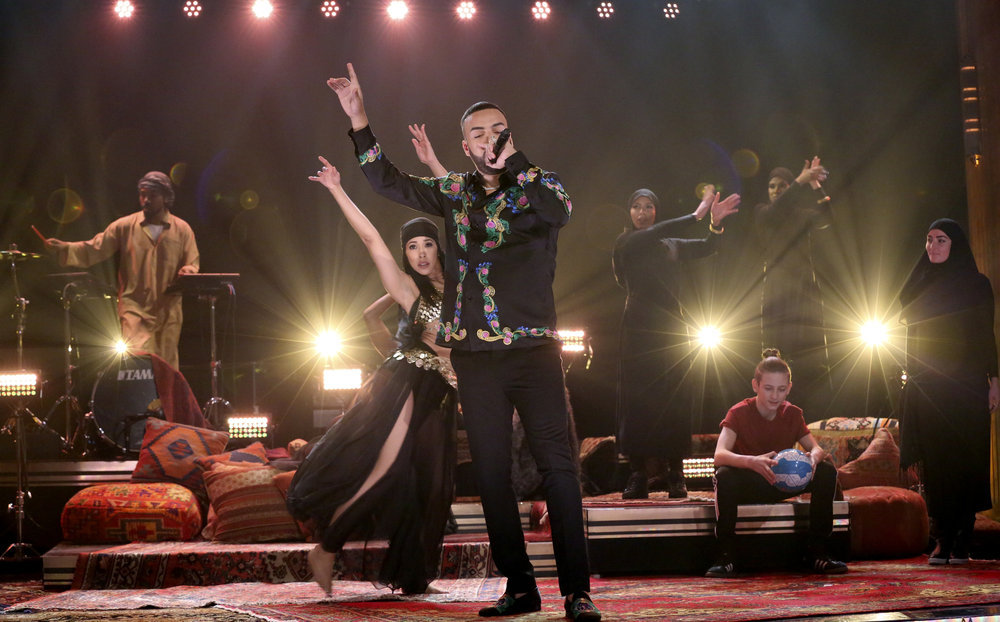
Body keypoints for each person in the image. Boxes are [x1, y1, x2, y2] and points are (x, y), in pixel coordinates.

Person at [327, 63, 601, 621]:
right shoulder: (454, 193)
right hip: (476, 358)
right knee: (492, 474)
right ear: (465, 146)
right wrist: (359, 120)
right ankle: (520, 587)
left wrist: (517, 163)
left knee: (559, 469)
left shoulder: (538, 185)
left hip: (534, 352)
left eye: (498, 129)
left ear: (510, 135)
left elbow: (560, 212)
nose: (489, 138)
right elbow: (388, 181)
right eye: (478, 133)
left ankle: (577, 591)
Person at [287, 159, 457, 595]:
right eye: (412, 247)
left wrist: (435, 165)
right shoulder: (408, 290)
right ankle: (327, 546)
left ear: (440, 248)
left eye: (427, 244)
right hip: (406, 382)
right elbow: (371, 239)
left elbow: (466, 217)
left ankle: (413, 577)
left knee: (430, 485)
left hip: (441, 391)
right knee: (388, 467)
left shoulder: (464, 288)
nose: (421, 253)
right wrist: (336, 189)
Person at [613, 185, 740, 499]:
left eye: (648, 207)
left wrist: (715, 224)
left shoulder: (669, 245)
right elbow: (652, 235)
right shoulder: (627, 242)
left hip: (671, 329)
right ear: (629, 212)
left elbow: (708, 246)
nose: (642, 212)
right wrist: (695, 215)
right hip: (638, 330)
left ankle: (675, 474)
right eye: (637, 206)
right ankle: (638, 474)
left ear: (656, 211)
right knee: (637, 402)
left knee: (675, 400)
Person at [898, 218, 998, 565]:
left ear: (956, 244)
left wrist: (994, 380)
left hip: (967, 385)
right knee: (937, 461)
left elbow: (985, 334)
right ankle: (941, 538)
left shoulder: (976, 284)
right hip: (929, 384)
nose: (933, 246)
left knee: (966, 459)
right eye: (928, 240)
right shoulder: (921, 283)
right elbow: (908, 325)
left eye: (941, 240)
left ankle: (962, 539)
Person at [708, 348, 847, 578]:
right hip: (751, 484)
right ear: (755, 385)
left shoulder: (792, 413)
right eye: (768, 388)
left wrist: (813, 457)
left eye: (781, 389)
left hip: (784, 483)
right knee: (724, 475)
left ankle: (818, 551)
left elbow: (817, 449)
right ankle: (726, 556)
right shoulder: (738, 412)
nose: (775, 396)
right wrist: (752, 462)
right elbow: (719, 455)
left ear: (789, 388)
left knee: (825, 470)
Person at [43, 171, 199, 370]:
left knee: (167, 368)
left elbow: (192, 261)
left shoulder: (182, 229)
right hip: (135, 308)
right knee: (136, 364)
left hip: (168, 309)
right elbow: (95, 247)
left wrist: (188, 270)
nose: (146, 200)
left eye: (152, 195)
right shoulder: (125, 226)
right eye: (143, 194)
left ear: (165, 197)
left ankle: (167, 392)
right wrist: (65, 248)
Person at [754, 159, 831, 416]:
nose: (776, 190)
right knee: (776, 357)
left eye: (782, 186)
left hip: (804, 292)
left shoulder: (803, 216)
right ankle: (774, 417)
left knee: (810, 355)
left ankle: (810, 417)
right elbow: (776, 211)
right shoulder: (763, 213)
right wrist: (799, 181)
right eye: (772, 186)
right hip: (776, 294)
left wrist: (815, 185)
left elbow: (827, 219)